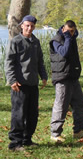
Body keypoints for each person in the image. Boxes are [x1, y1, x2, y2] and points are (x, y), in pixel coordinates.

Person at [5, 15, 48, 151]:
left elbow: (40, 61)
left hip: (33, 84)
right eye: (27, 25)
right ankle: (15, 143)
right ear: (22, 25)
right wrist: (12, 80)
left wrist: (44, 76)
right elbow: (9, 63)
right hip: (20, 85)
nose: (29, 28)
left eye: (32, 26)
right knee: (19, 114)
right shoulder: (16, 42)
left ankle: (27, 139)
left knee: (32, 114)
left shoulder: (36, 42)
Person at [50, 20, 83, 143]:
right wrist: (67, 37)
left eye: (73, 31)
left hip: (72, 77)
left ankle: (78, 130)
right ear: (64, 29)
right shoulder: (56, 40)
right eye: (69, 31)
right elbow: (64, 53)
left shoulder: (72, 39)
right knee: (61, 106)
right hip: (62, 78)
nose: (71, 34)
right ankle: (55, 134)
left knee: (80, 102)